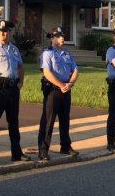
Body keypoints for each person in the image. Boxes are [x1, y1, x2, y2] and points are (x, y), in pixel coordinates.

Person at [38, 27, 79, 160]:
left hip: (66, 90)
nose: (62, 38)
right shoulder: (47, 53)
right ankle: (43, 150)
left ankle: (65, 146)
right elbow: (47, 73)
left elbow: (75, 70)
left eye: (62, 35)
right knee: (48, 121)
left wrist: (70, 84)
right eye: (58, 36)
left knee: (65, 120)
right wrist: (61, 85)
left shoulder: (67, 54)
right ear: (52, 38)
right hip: (53, 91)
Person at [0, 20, 31, 162]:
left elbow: (20, 67)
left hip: (12, 89)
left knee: (13, 123)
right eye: (1, 31)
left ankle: (16, 153)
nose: (3, 33)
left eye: (6, 31)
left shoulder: (14, 49)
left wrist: (21, 83)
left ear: (9, 33)